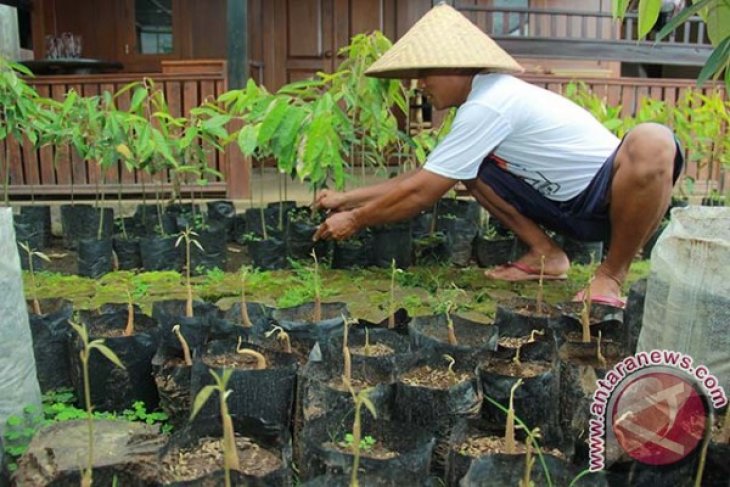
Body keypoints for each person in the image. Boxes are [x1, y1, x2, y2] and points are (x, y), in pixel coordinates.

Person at [312, 3, 683, 308]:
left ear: (456, 66)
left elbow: (419, 194)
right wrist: (347, 198)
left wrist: (356, 220)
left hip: (610, 200)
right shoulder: (479, 105)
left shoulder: (491, 103)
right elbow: (424, 176)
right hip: (564, 208)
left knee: (652, 141)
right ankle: (546, 255)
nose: (420, 83)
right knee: (470, 169)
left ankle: (610, 276)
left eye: (426, 72)